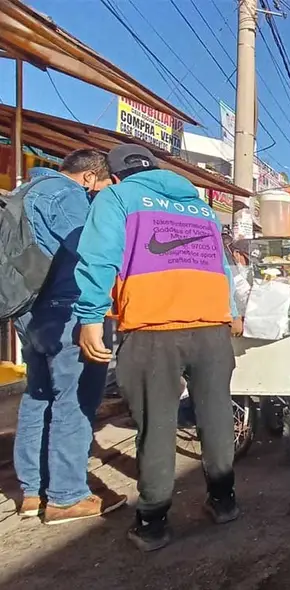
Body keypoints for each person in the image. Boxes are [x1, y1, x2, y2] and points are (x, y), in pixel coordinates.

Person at [73, 145, 241, 552]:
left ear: (114, 176)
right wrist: (232, 312)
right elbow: (221, 266)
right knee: (217, 417)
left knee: (157, 425)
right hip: (212, 328)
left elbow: (99, 258)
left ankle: (153, 522)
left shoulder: (116, 198)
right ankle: (224, 501)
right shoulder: (199, 207)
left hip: (152, 329)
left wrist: (91, 319)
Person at [8, 150, 125, 524]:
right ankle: (66, 497)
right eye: (103, 187)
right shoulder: (69, 196)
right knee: (74, 400)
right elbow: (91, 253)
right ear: (90, 177)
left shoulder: (26, 191)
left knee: (38, 394)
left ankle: (31, 491)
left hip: (27, 310)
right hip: (67, 310)